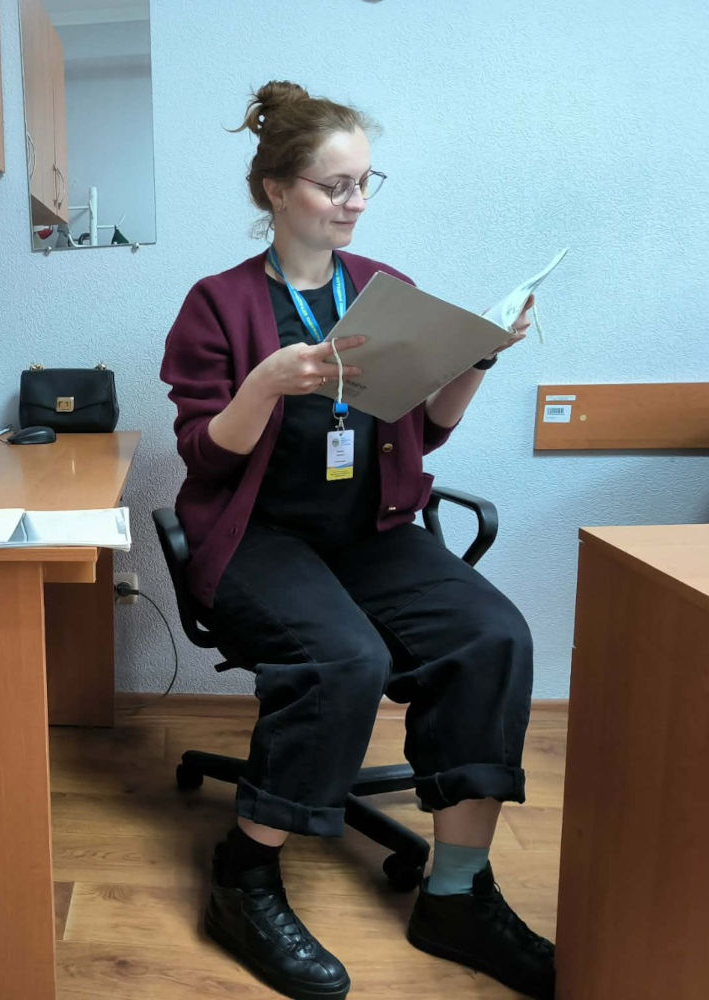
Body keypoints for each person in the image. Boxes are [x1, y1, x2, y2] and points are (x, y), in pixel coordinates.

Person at [159, 81, 555, 1000]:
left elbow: (429, 432)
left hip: (370, 532)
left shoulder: (385, 291)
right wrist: (264, 384)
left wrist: (477, 359)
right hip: (258, 537)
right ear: (276, 190)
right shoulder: (218, 305)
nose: (356, 203)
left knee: (493, 636)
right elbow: (202, 455)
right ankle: (241, 880)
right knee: (345, 657)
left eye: (366, 183)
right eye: (335, 185)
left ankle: (456, 896)